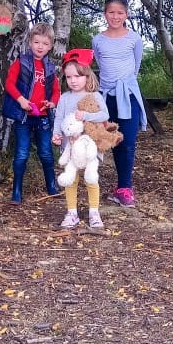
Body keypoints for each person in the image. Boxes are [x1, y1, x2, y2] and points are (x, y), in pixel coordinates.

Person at [92, 0, 145, 208]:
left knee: (128, 141)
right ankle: (109, 187)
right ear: (105, 14)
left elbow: (136, 65)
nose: (115, 16)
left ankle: (125, 188)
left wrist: (125, 85)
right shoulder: (98, 40)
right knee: (112, 140)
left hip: (129, 96)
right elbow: (99, 64)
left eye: (120, 12)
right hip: (106, 98)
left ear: (127, 14)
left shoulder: (134, 39)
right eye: (111, 12)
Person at [50, 48, 110, 229]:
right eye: (69, 77)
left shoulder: (95, 96)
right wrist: (56, 133)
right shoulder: (64, 98)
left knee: (91, 179)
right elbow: (59, 117)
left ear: (87, 76)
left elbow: (104, 115)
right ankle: (72, 212)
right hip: (70, 146)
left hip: (91, 147)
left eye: (77, 76)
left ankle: (94, 212)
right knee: (71, 179)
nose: (73, 81)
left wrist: (85, 116)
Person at [2, 23, 61, 202]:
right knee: (21, 153)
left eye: (44, 43)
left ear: (50, 46)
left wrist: (52, 103)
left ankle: (51, 185)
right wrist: (21, 100)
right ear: (30, 42)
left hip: (42, 117)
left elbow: (57, 91)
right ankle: (17, 190)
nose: (40, 46)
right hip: (24, 117)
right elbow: (9, 84)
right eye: (36, 42)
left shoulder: (50, 68)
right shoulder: (22, 62)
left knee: (46, 152)